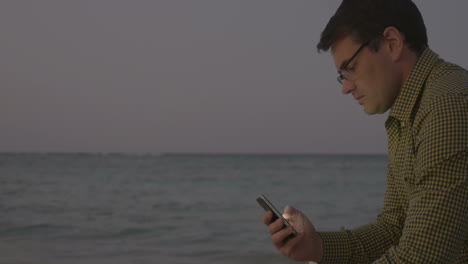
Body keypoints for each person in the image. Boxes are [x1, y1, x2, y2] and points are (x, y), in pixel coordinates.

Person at [262, 0, 468, 263]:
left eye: (350, 68)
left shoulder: (448, 105)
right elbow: (394, 228)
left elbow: (421, 256)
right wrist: (317, 247)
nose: (345, 88)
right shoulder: (409, 114)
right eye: (341, 75)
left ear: (392, 43)